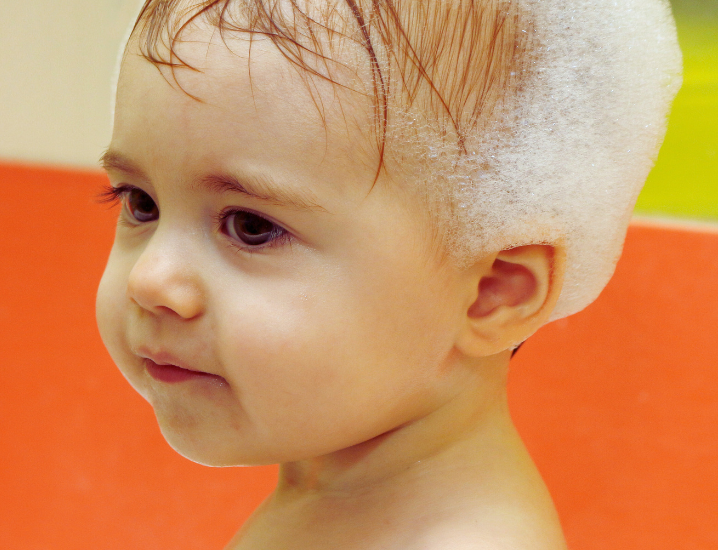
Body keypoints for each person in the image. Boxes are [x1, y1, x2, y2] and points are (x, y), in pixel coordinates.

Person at [94, 0, 681, 548]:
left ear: (492, 293)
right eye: (141, 202)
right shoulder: (338, 497)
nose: (150, 280)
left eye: (251, 227)